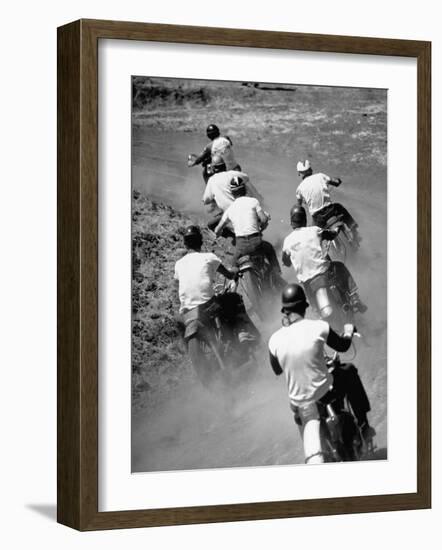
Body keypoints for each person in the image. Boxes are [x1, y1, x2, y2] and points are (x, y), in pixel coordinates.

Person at [268, 283, 375, 464]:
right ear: (305, 307)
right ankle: (364, 425)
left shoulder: (274, 340)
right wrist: (348, 332)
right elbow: (343, 346)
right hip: (324, 395)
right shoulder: (319, 327)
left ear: (284, 311)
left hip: (299, 406)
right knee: (349, 371)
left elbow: (277, 369)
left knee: (300, 415)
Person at [281, 205, 367, 316]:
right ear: (304, 219)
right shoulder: (314, 230)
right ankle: (354, 297)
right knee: (340, 266)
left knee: (311, 302)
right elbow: (331, 235)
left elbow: (286, 262)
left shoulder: (287, 241)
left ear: (291, 222)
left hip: (307, 282)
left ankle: (317, 312)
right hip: (324, 272)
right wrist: (336, 230)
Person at [213, 176, 281, 277]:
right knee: (269, 249)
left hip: (241, 247)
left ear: (232, 193)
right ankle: (277, 273)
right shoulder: (253, 201)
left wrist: (218, 234)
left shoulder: (230, 209)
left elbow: (217, 229)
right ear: (244, 189)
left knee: (233, 265)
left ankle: (234, 284)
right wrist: (261, 228)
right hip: (256, 244)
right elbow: (264, 219)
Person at [295, 159, 361, 243]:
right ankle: (354, 231)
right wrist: (337, 180)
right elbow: (336, 182)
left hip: (318, 218)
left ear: (299, 173)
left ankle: (321, 254)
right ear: (311, 170)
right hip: (331, 211)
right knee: (339, 207)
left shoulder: (299, 189)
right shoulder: (320, 176)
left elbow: (299, 207)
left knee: (313, 238)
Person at [202, 159, 265, 238]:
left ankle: (233, 237)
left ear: (214, 169)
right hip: (245, 208)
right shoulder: (234, 174)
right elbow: (246, 177)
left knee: (211, 225)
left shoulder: (212, 180)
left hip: (230, 213)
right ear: (225, 166)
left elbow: (205, 200)